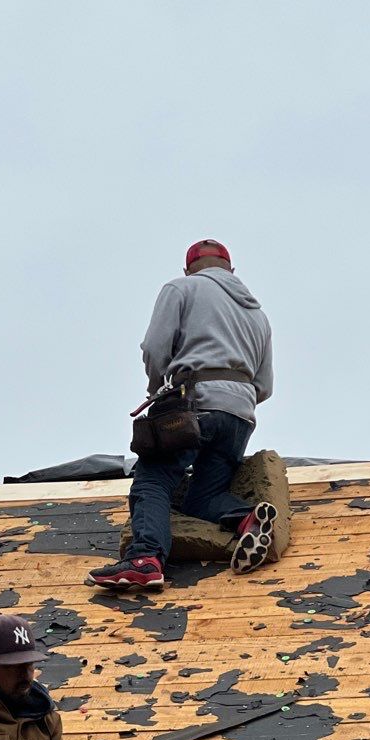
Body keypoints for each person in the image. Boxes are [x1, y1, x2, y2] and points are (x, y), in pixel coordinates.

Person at [88, 238, 275, 592]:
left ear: (188, 269)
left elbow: (155, 348)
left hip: (195, 403)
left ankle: (145, 559)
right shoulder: (259, 316)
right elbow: (264, 386)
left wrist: (157, 391)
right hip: (240, 417)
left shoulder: (181, 288)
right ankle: (247, 519)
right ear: (231, 270)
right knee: (204, 496)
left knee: (153, 479)